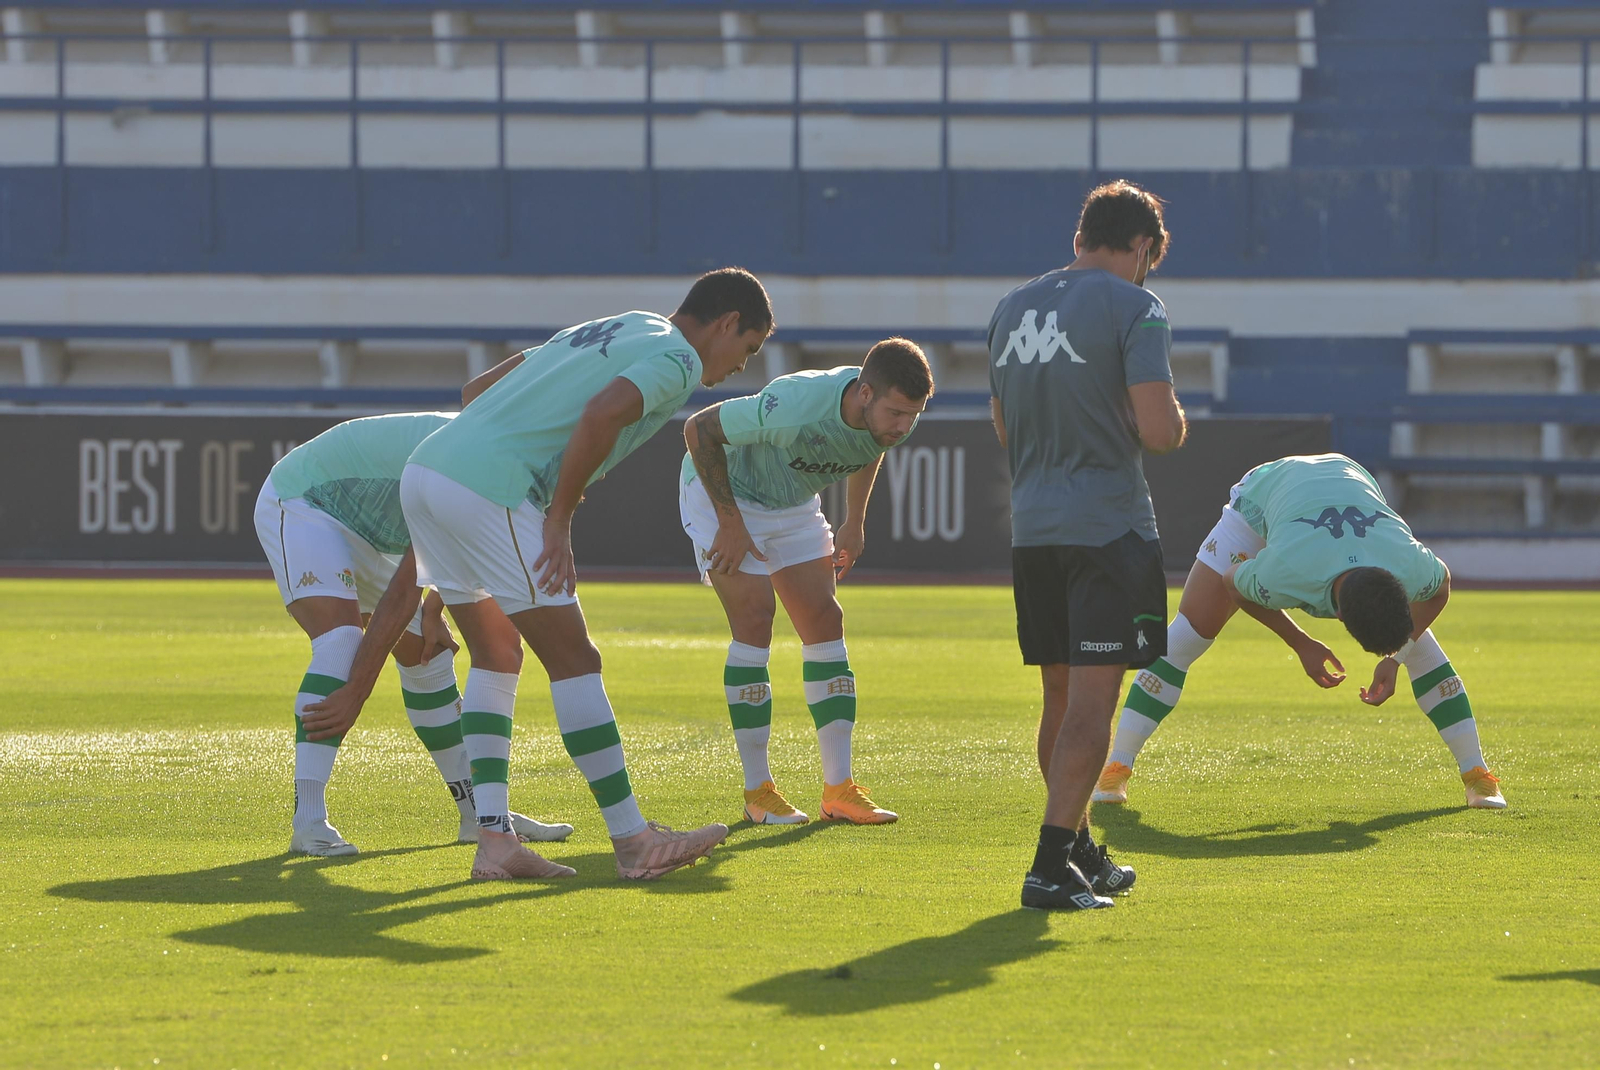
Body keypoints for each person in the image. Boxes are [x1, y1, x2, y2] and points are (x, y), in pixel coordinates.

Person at [395, 267, 773, 882]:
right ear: (727, 323)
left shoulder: (620, 324)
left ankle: (494, 841)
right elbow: (601, 414)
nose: (741, 366)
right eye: (748, 348)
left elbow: (478, 389)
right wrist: (559, 515)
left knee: (495, 654)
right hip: (491, 487)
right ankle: (633, 841)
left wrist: (545, 460)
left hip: (425, 472)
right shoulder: (679, 357)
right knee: (575, 659)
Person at [1095, 452, 1506, 810]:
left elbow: (1441, 586)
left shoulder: (1409, 564)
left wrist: (1397, 657)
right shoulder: (1286, 571)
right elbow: (1232, 583)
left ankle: (1477, 775)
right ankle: (1114, 768)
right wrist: (1300, 642)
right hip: (1262, 498)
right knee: (1189, 633)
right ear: (1337, 616)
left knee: (1418, 645)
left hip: (1347, 477)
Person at [987, 179, 1188, 912]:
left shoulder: (1011, 308)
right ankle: (1048, 867)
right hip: (1108, 527)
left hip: (1034, 528)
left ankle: (1078, 852)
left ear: (1080, 239)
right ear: (1143, 248)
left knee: (1059, 697)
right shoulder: (1137, 307)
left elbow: (1004, 427)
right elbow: (1159, 432)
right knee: (1093, 707)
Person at [253, 411, 573, 856]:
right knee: (341, 643)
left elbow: (453, 550)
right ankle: (308, 823)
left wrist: (434, 609)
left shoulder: (506, 460)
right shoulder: (473, 465)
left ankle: (478, 815)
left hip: (367, 530)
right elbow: (404, 592)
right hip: (304, 501)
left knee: (428, 652)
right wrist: (355, 693)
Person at [680, 339, 934, 826]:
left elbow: (872, 445)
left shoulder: (889, 414)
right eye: (898, 413)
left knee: (824, 619)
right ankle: (759, 792)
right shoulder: (796, 405)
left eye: (913, 415)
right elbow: (699, 429)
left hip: (791, 502)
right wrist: (730, 522)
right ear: (864, 393)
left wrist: (854, 521)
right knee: (756, 619)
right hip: (725, 495)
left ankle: (839, 790)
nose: (904, 426)